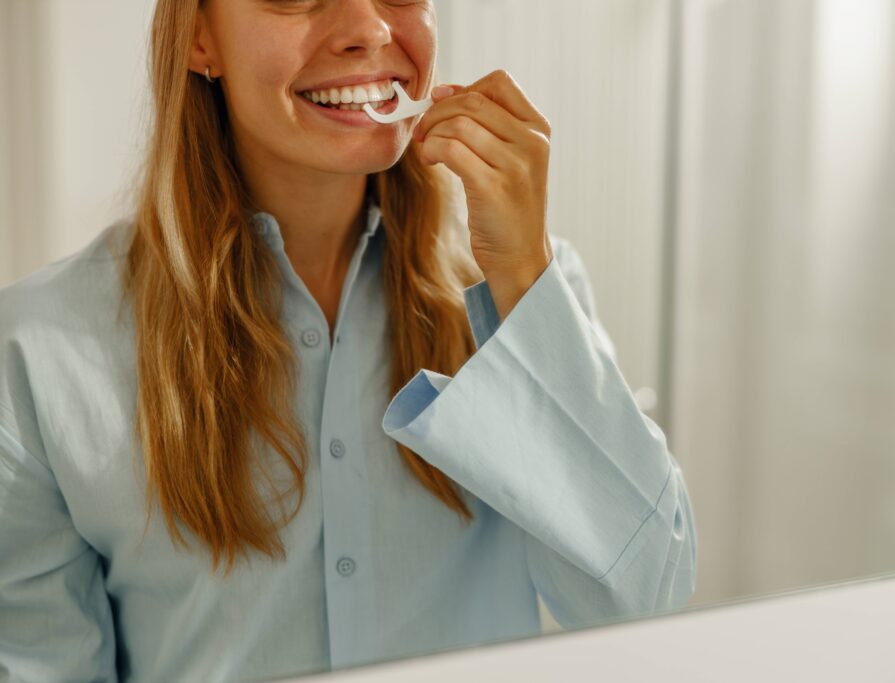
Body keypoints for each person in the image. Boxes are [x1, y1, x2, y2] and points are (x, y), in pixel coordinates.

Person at [0, 0, 697, 680]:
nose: (367, 28)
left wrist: (523, 275)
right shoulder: (38, 355)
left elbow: (647, 600)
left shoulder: (528, 298)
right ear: (199, 37)